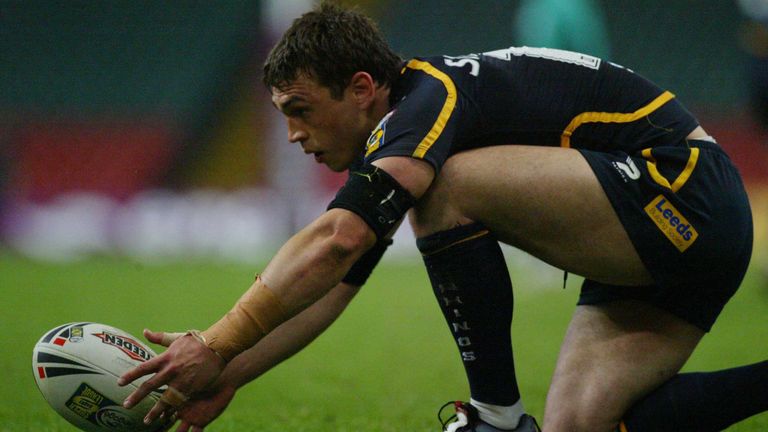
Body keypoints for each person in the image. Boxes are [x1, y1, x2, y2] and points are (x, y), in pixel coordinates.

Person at [118, 3, 767, 431]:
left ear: (362, 88)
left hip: (683, 192)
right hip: (662, 229)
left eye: (301, 110)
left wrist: (215, 341)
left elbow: (337, 240)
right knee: (580, 425)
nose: (292, 134)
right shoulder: (402, 137)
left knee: (449, 186)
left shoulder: (426, 103)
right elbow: (337, 280)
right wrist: (227, 373)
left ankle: (495, 414)